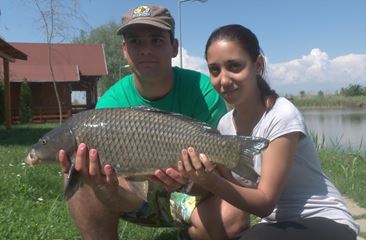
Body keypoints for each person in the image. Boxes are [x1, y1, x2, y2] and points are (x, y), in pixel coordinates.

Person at [58, 5, 248, 240]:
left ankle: (188, 236)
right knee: (79, 171)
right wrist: (105, 188)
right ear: (124, 50)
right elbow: (127, 193)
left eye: (157, 40)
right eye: (136, 42)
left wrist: (190, 180)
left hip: (191, 196)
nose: (146, 50)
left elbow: (217, 176)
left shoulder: (204, 91)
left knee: (235, 216)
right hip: (131, 198)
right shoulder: (111, 102)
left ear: (174, 47)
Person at [175, 24, 360, 240]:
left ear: (258, 65)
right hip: (276, 225)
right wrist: (186, 179)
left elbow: (264, 203)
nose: (223, 80)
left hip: (323, 219)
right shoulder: (225, 125)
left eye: (234, 66)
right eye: (215, 70)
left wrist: (213, 182)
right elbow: (232, 188)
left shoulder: (281, 114)